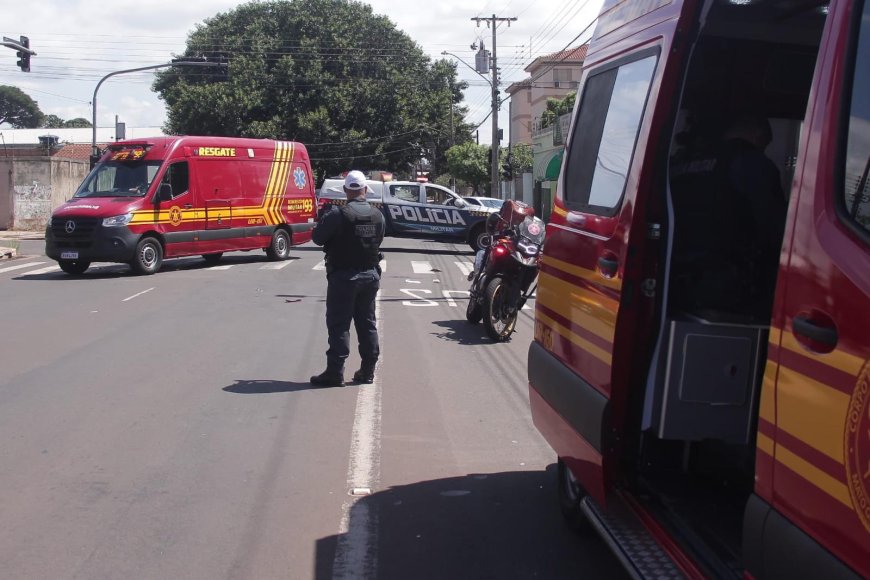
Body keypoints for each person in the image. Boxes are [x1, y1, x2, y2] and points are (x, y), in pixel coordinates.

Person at [310, 170, 386, 387]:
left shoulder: (338, 215)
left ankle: (335, 373)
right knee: (367, 324)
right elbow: (378, 239)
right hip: (369, 276)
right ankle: (368, 371)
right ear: (365, 190)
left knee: (339, 325)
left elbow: (317, 238)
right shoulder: (378, 215)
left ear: (345, 190)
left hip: (344, 277)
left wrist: (326, 219)